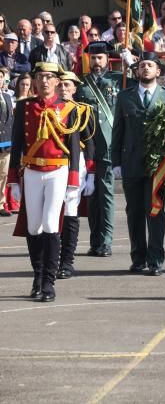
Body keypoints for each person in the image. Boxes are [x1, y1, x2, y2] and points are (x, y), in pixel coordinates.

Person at [7, 62, 81, 302]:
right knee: (33, 226)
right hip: (31, 170)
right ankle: (37, 278)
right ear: (35, 81)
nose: (45, 81)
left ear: (58, 81)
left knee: (51, 224)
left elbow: (73, 147)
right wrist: (13, 180)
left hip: (58, 170)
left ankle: (49, 282)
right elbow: (16, 143)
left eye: (50, 77)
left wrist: (74, 180)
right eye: (40, 77)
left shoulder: (68, 108)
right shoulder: (25, 107)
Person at [112, 54, 165, 275]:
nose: (146, 68)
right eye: (142, 66)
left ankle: (156, 259)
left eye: (150, 65)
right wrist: (116, 163)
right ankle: (138, 258)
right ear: (136, 71)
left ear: (158, 71)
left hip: (158, 166)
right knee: (134, 213)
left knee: (156, 212)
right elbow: (117, 132)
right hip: (131, 164)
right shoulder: (125, 98)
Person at [74, 41, 130, 257]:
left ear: (107, 59)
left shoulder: (120, 80)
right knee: (91, 197)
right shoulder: (81, 84)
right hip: (88, 148)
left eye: (100, 58)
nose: (96, 62)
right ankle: (95, 240)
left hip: (108, 147)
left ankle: (106, 241)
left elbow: (142, 82)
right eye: (93, 58)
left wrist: (130, 62)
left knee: (106, 195)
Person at [57, 71, 96, 279]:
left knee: (70, 209)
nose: (63, 88)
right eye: (60, 85)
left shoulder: (83, 110)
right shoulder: (49, 109)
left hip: (75, 163)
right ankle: (53, 260)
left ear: (74, 89)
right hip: (52, 163)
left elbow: (89, 141)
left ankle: (67, 262)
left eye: (67, 85)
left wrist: (91, 173)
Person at [0, 67, 14, 217]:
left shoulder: (8, 96)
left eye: (1, 77)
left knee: (3, 174)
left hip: (6, 142)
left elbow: (11, 120)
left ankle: (1, 203)